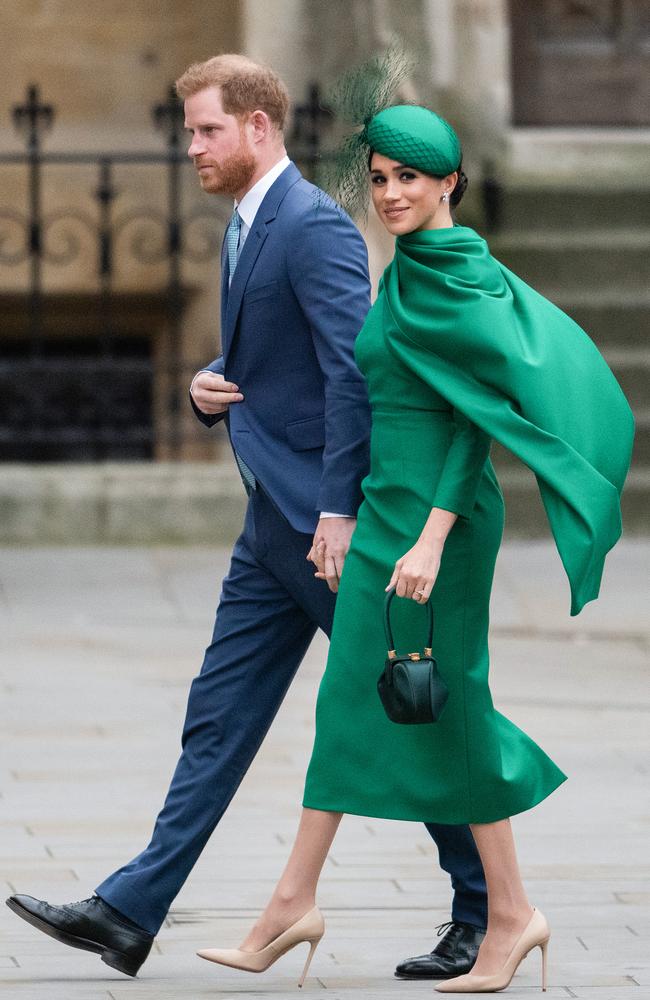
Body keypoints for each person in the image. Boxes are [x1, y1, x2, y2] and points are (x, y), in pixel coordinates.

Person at [6, 58, 490, 982]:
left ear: (259, 128)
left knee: (405, 711)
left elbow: (353, 376)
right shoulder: (248, 223)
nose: (190, 146)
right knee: (218, 716)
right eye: (190, 131)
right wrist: (207, 387)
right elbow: (278, 359)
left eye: (205, 130)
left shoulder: (311, 228)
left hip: (323, 531)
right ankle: (129, 910)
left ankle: (482, 909)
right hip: (271, 524)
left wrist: (340, 511)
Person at [195, 103, 635, 993]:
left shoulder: (457, 274)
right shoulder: (405, 270)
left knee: (451, 703)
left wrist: (431, 540)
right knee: (358, 701)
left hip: (439, 525)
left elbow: (477, 425)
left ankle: (502, 915)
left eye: (410, 179)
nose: (392, 193)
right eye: (382, 177)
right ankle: (302, 902)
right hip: (385, 511)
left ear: (449, 185)